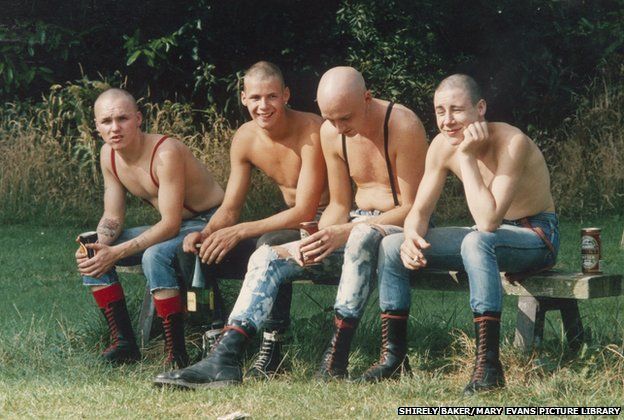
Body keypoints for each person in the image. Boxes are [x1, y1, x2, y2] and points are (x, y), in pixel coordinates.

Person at [154, 66, 428, 388]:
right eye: (330, 119)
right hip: (354, 220)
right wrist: (319, 235)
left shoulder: (403, 124)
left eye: (345, 119)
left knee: (361, 235)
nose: (338, 128)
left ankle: (334, 360)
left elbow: (414, 208)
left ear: (367, 98)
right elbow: (340, 205)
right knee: (267, 255)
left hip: (398, 226)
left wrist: (345, 231)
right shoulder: (330, 131)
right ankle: (224, 357)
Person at [373, 74, 559, 393]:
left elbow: (487, 221)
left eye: (456, 110)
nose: (447, 121)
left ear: (480, 108)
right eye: (440, 111)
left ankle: (488, 367)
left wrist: (468, 156)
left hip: (535, 234)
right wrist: (411, 238)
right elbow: (419, 211)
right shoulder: (441, 146)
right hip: (487, 237)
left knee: (477, 239)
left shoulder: (512, 142)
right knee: (390, 245)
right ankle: (393, 359)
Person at [156, 61, 327, 382]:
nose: (264, 106)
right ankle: (216, 344)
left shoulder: (312, 131)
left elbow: (305, 210)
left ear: (286, 95)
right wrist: (207, 232)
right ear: (244, 98)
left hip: (323, 223)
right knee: (191, 248)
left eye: (272, 96)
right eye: (256, 98)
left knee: (269, 243)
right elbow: (231, 208)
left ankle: (273, 348)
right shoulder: (245, 138)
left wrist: (242, 230)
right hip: (291, 221)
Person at [75, 88, 225, 369]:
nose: (115, 128)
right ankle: (124, 343)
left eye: (123, 118)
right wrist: (100, 244)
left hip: (210, 223)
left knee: (154, 255)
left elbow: (169, 224)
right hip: (176, 225)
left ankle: (177, 351)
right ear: (96, 126)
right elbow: (112, 216)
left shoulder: (165, 152)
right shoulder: (108, 154)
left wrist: (116, 252)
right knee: (91, 251)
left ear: (139, 119)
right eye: (106, 122)